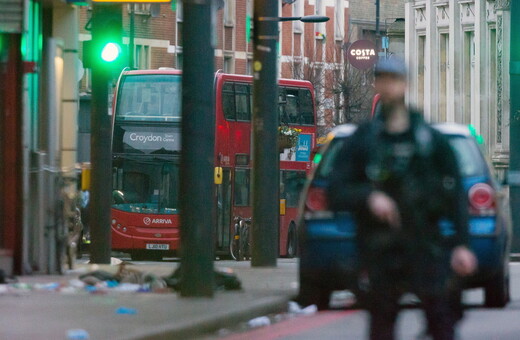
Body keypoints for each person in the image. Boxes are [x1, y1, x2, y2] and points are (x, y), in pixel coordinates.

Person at [327, 57, 477, 340]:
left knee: (441, 322)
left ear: (405, 84)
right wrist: (369, 197)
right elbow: (337, 190)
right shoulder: (363, 140)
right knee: (382, 325)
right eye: (382, 79)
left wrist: (462, 245)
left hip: (425, 247)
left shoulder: (430, 140)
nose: (388, 86)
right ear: (376, 86)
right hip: (380, 250)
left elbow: (455, 194)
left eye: (394, 79)